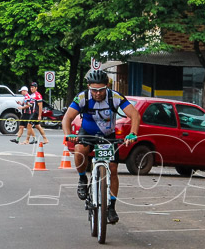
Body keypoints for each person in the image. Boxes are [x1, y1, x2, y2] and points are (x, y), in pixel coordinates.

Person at [62, 69, 140, 225]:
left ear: (107, 86)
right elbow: (67, 118)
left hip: (108, 135)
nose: (97, 94)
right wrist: (68, 133)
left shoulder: (115, 97)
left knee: (113, 168)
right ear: (89, 87)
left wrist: (132, 134)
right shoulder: (82, 97)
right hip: (88, 133)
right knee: (79, 150)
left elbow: (135, 115)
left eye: (101, 90)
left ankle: (111, 207)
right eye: (94, 90)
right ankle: (83, 178)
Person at [29, 81, 49, 145]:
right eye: (31, 87)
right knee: (38, 126)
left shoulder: (38, 95)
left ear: (36, 88)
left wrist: (39, 115)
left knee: (29, 125)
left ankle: (34, 139)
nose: (31, 88)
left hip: (36, 113)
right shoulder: (32, 95)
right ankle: (45, 139)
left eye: (33, 87)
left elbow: (40, 106)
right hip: (32, 112)